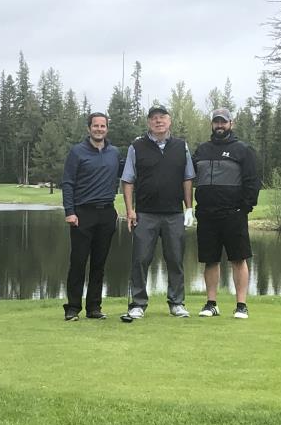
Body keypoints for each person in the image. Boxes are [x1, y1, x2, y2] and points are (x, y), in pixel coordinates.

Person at [121, 105, 195, 320]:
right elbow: (128, 180)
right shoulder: (137, 146)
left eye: (162, 117)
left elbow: (187, 178)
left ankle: (177, 303)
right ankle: (138, 304)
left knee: (175, 259)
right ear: (149, 123)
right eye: (154, 118)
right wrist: (130, 210)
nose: (158, 121)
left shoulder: (181, 146)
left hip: (174, 213)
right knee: (140, 259)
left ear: (169, 121)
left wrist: (189, 208)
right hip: (145, 213)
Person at [193, 108, 260, 319]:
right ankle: (211, 304)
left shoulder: (242, 150)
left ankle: (241, 305)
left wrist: (245, 207)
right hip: (206, 214)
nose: (219, 125)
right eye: (216, 122)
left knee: (238, 259)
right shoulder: (202, 150)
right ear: (212, 124)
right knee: (210, 260)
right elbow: (189, 177)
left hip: (233, 214)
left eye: (223, 122)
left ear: (231, 123)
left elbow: (252, 181)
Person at [61, 112, 120, 321]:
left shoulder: (114, 152)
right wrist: (70, 211)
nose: (99, 129)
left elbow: (128, 175)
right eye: (96, 126)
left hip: (106, 213)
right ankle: (72, 308)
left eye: (103, 126)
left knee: (99, 264)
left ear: (107, 129)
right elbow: (68, 182)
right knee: (78, 262)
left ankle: (94, 307)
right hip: (82, 213)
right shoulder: (77, 151)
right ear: (89, 128)